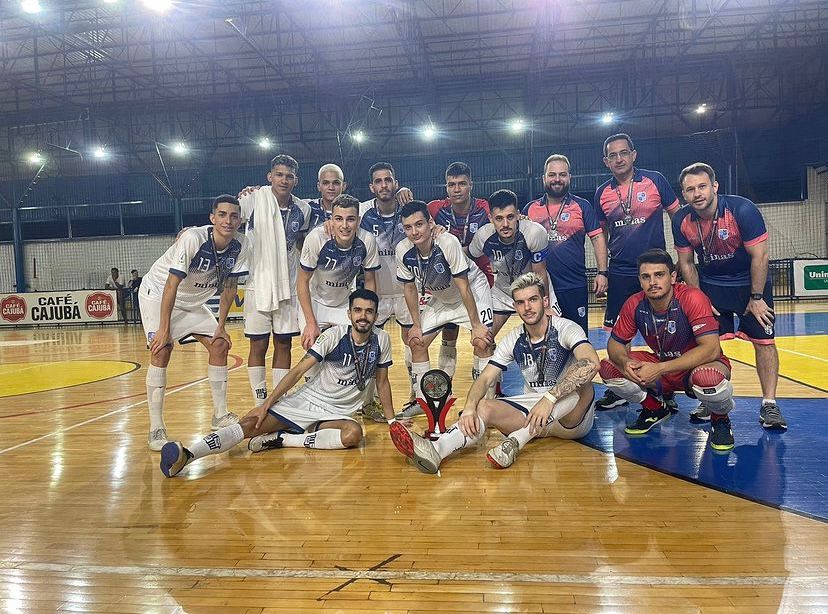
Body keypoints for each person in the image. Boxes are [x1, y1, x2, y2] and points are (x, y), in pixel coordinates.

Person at [159, 289, 403, 477]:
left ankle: (283, 439)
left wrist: (393, 421)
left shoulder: (382, 341)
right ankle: (189, 454)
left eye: (369, 311)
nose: (363, 316)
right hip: (306, 401)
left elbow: (382, 382)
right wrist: (266, 405)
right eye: (358, 310)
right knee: (250, 423)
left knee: (353, 435)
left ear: (376, 315)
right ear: (349, 314)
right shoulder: (334, 336)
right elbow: (297, 371)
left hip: (338, 413)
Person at [388, 272, 600, 473]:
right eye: (520, 302)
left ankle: (516, 441)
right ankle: (437, 449)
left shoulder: (566, 328)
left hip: (571, 419)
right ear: (515, 306)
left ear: (545, 302)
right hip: (533, 416)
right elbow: (485, 378)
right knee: (484, 405)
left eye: (533, 299)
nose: (527, 307)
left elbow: (591, 363)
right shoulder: (514, 338)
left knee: (582, 385)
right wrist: (471, 406)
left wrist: (550, 398)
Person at [672, 162, 786, 430]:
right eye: (690, 190)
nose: (697, 193)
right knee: (708, 345)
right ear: (684, 194)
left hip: (749, 283)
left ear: (715, 186)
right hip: (711, 284)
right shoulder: (681, 219)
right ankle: (709, 397)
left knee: (764, 342)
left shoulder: (742, 209)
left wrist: (756, 297)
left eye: (702, 186)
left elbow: (760, 255)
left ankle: (769, 403)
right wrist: (698, 299)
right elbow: (686, 263)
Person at [139, 195, 250, 451]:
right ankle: (156, 427)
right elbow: (171, 284)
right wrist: (164, 330)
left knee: (220, 345)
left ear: (240, 220)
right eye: (222, 214)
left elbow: (231, 286)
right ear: (212, 218)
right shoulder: (194, 239)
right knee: (162, 349)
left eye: (234, 215)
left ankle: (219, 415)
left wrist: (221, 326)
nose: (228, 220)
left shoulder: (242, 245)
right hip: (158, 294)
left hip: (192, 303)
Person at [598, 249, 736, 451]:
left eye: (659, 275)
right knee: (609, 367)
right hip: (664, 368)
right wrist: (625, 362)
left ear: (672, 277)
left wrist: (660, 368)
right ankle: (654, 409)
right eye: (646, 277)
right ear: (640, 280)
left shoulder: (691, 297)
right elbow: (615, 344)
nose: (652, 282)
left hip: (698, 366)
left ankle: (720, 419)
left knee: (708, 378)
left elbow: (711, 350)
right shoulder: (634, 303)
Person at [593, 134, 680, 410]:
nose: (619, 159)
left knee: (668, 328)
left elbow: (678, 215)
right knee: (618, 333)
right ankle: (624, 386)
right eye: (612, 155)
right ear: (606, 161)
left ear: (634, 155)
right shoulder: (601, 193)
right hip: (620, 270)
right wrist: (603, 271)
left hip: (655, 268)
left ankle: (669, 385)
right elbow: (601, 235)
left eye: (623, 153)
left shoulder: (655, 180)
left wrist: (683, 258)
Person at [395, 200, 494, 403]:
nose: (414, 231)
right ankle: (428, 404)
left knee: (482, 342)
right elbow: (409, 288)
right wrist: (415, 324)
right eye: (408, 227)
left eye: (419, 224)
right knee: (417, 343)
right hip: (442, 298)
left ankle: (486, 404)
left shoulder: (447, 243)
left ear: (430, 223)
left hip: (473, 291)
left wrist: (476, 325)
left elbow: (464, 286)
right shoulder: (403, 251)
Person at [239, 154, 311, 403]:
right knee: (258, 345)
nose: (284, 180)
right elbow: (226, 222)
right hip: (257, 285)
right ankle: (260, 401)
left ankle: (279, 400)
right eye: (279, 175)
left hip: (287, 287)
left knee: (284, 344)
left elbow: (302, 243)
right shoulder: (252, 200)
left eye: (289, 176)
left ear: (296, 180)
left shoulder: (304, 209)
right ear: (269, 177)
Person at [523, 154, 608, 334]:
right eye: (552, 175)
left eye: (562, 174)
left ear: (570, 177)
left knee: (577, 335)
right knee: (544, 337)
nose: (557, 179)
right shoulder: (529, 209)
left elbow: (598, 238)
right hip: (539, 288)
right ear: (544, 178)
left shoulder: (582, 206)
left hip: (573, 285)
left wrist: (602, 272)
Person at [425, 162, 493, 386]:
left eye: (461, 184)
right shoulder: (435, 209)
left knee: (483, 338)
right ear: (446, 187)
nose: (456, 189)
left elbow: (506, 217)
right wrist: (401, 193)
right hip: (449, 284)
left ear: (471, 185)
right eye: (451, 184)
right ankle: (443, 388)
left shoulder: (485, 208)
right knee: (449, 333)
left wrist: (521, 218)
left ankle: (488, 392)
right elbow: (410, 216)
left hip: (477, 280)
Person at [297, 194, 380, 350]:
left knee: (360, 346)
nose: (344, 225)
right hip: (316, 303)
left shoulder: (367, 240)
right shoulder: (316, 238)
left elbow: (370, 280)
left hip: (344, 304)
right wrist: (310, 322)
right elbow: (302, 281)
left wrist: (368, 311)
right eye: (339, 219)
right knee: (312, 348)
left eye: (350, 219)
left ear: (359, 220)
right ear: (331, 220)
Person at [468, 189, 554, 338]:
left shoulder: (534, 233)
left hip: (533, 291)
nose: (505, 224)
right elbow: (467, 255)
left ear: (518, 215)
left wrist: (545, 305)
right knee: (481, 340)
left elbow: (540, 274)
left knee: (550, 336)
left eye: (510, 217)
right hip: (502, 292)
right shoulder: (483, 236)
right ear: (490, 218)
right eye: (499, 218)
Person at [307, 163, 347, 228]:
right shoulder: (307, 207)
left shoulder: (357, 209)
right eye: (326, 183)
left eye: (336, 183)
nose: (331, 188)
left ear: (343, 186)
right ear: (319, 186)